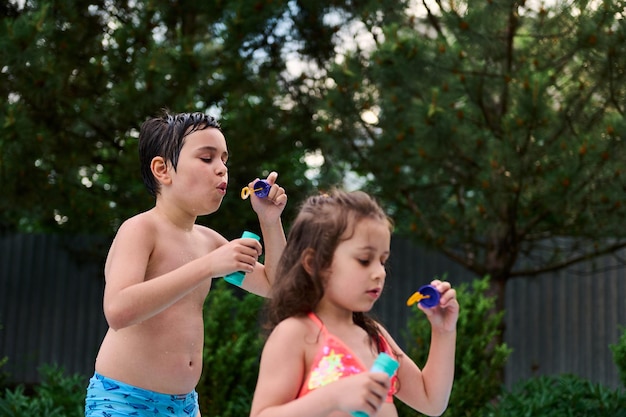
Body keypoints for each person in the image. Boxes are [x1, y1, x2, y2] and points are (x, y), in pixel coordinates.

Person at [85, 110, 288, 417]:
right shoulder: (141, 230)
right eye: (207, 159)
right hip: (123, 401)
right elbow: (118, 310)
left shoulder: (208, 241)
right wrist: (208, 266)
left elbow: (278, 286)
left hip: (184, 406)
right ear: (162, 170)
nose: (222, 170)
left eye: (224, 159)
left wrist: (270, 221)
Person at [249, 189, 458, 417]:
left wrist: (443, 331)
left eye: (383, 260)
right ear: (314, 263)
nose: (380, 272)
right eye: (364, 260)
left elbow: (431, 400)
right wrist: (333, 397)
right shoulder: (295, 333)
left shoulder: (374, 336)